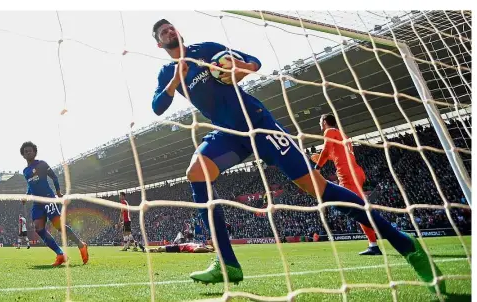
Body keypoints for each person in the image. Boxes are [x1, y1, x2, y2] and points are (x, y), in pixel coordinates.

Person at [150, 19, 444, 293]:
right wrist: (176, 80)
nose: (169, 32)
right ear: (158, 43)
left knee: (317, 188)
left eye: (170, 28)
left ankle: (405, 245)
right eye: (162, 33)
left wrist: (237, 68)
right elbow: (158, 107)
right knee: (196, 172)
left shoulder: (208, 49)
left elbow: (254, 63)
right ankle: (227, 262)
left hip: (258, 123)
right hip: (228, 135)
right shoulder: (166, 73)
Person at [313, 113, 381, 256]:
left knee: (356, 208)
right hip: (355, 171)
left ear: (324, 121)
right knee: (357, 208)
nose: (320, 124)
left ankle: (386, 234)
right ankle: (374, 243)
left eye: (320, 121)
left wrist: (317, 168)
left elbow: (326, 151)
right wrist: (318, 158)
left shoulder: (329, 131)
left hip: (347, 174)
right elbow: (336, 156)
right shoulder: (342, 135)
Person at [20, 141, 88, 266]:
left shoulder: (42, 164)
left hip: (48, 199)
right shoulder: (25, 171)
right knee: (38, 228)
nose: (28, 152)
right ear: (23, 155)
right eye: (25, 151)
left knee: (59, 226)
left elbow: (54, 177)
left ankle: (81, 245)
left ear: (34, 152)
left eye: (30, 150)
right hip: (37, 203)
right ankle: (60, 254)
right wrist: (26, 196)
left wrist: (58, 192)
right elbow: (30, 185)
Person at [149, 242, 214, 253]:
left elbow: (196, 250)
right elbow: (212, 249)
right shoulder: (202, 246)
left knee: (161, 248)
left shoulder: (197, 247)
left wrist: (209, 250)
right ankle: (150, 250)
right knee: (161, 249)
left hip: (179, 247)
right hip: (180, 246)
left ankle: (148, 250)